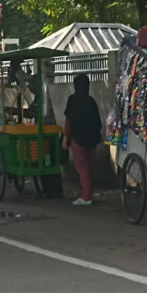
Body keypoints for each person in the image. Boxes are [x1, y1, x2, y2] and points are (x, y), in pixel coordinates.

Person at [63, 73, 102, 206]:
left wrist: (65, 138)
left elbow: (68, 121)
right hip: (93, 139)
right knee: (89, 168)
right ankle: (88, 194)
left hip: (78, 139)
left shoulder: (72, 100)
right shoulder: (91, 101)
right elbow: (98, 123)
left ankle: (86, 197)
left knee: (82, 168)